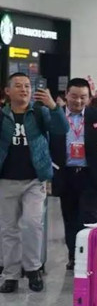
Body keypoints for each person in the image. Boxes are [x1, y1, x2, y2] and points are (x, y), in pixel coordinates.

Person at [0, 73, 69, 293]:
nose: (24, 89)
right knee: (8, 229)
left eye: (27, 86)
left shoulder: (40, 112)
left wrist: (54, 107)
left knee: (32, 224)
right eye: (18, 86)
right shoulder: (2, 116)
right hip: (6, 180)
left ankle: (33, 269)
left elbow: (62, 129)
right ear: (7, 91)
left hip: (34, 179)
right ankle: (10, 274)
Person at [49, 78, 97, 270]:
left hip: (90, 175)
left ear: (89, 97)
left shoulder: (96, 114)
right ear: (66, 94)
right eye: (74, 96)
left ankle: (87, 256)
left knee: (88, 217)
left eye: (83, 97)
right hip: (65, 174)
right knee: (69, 218)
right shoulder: (56, 116)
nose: (78, 101)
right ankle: (74, 256)